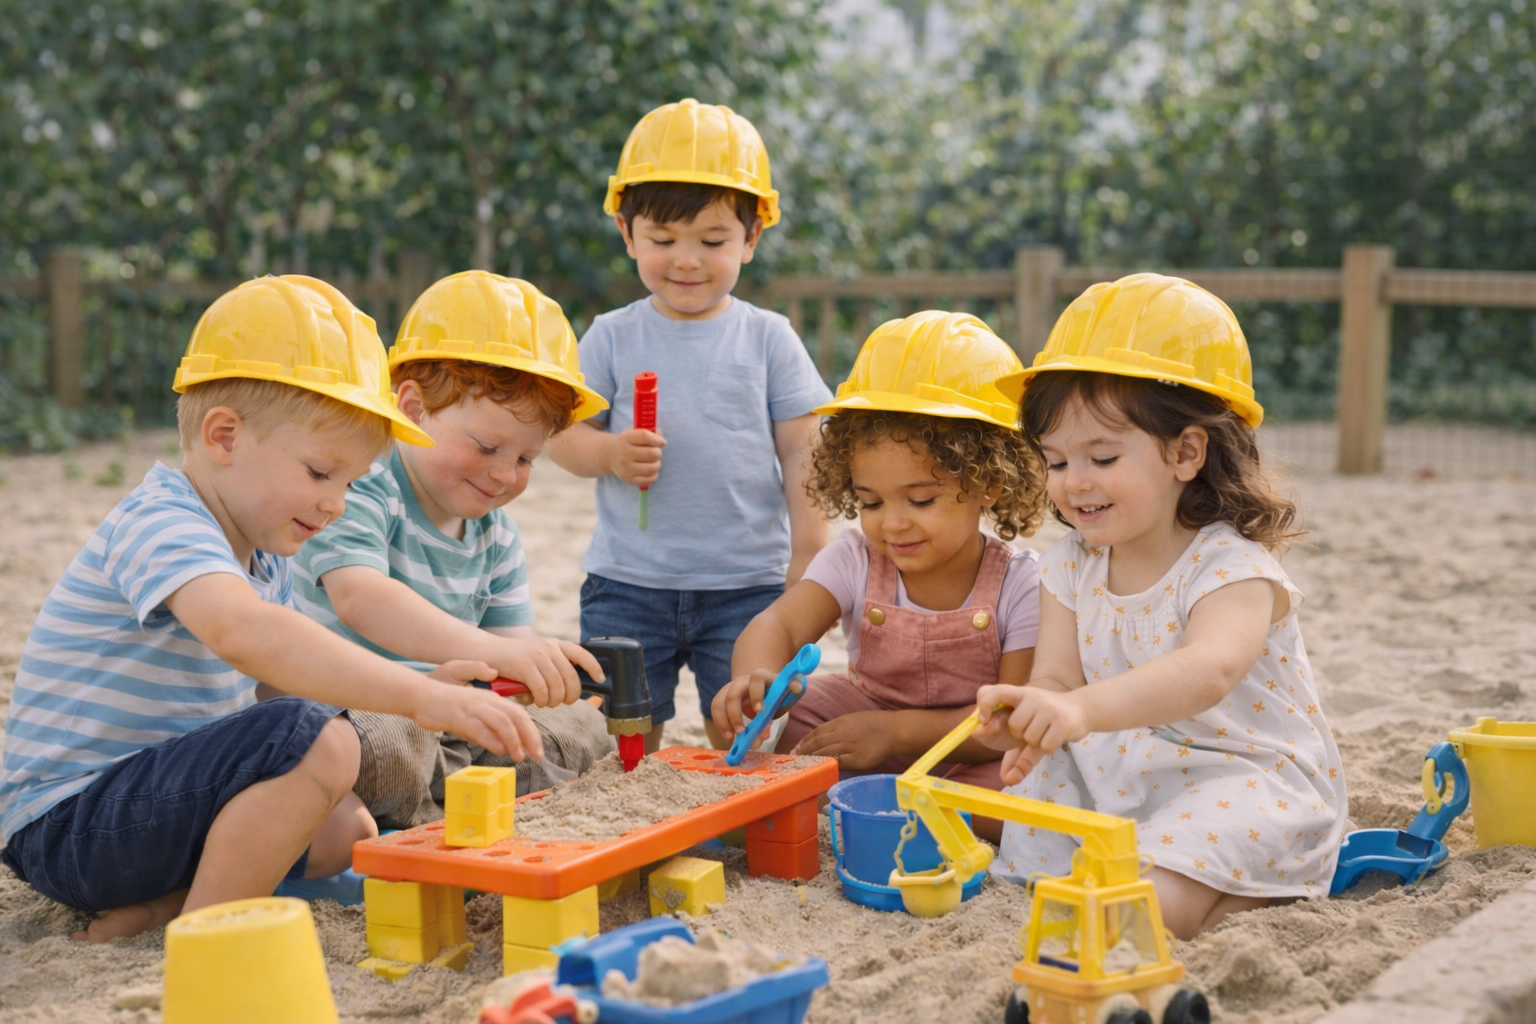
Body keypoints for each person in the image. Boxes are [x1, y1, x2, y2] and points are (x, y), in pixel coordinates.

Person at [0, 276, 541, 942]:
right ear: (223, 435)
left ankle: (168, 904)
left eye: (349, 482)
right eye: (320, 473)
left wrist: (422, 689)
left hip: (151, 813)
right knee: (318, 741)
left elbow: (275, 684)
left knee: (347, 825)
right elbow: (246, 634)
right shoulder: (162, 521)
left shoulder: (264, 552)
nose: (336, 502)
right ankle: (207, 935)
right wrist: (416, 697)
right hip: (71, 825)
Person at [975, 273, 1347, 939]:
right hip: (1126, 769)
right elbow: (1059, 678)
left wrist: (1081, 710)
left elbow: (1208, 671)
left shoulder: (1231, 568)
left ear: (1185, 451)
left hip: (1241, 775)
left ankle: (1190, 899)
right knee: (1045, 835)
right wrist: (1037, 715)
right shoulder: (1070, 565)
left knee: (1144, 901)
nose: (1074, 483)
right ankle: (1216, 894)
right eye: (1056, 462)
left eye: (1103, 456)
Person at [547, 98, 832, 751]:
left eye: (712, 241)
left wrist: (810, 551)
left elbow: (802, 450)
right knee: (623, 738)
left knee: (742, 730)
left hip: (746, 584)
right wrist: (611, 454)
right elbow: (563, 435)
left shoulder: (769, 338)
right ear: (627, 233)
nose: (686, 260)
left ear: (752, 238)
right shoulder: (613, 336)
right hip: (628, 581)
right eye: (662, 240)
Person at [293, 271, 618, 828]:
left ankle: (475, 799)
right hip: (367, 710)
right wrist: (487, 659)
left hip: (453, 720)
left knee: (582, 726)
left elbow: (507, 656)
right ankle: (438, 820)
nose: (504, 474)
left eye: (524, 460)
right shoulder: (361, 487)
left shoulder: (497, 534)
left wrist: (539, 673)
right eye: (488, 446)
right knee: (387, 743)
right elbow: (359, 596)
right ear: (413, 410)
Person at [712, 312, 1047, 842]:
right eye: (870, 501)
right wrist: (754, 680)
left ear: (989, 482)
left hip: (969, 750)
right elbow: (778, 624)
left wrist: (894, 734)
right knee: (788, 724)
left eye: (920, 499)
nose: (892, 522)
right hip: (867, 714)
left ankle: (902, 800)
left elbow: (1007, 719)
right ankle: (885, 797)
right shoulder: (856, 558)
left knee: (1033, 788)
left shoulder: (1021, 583)